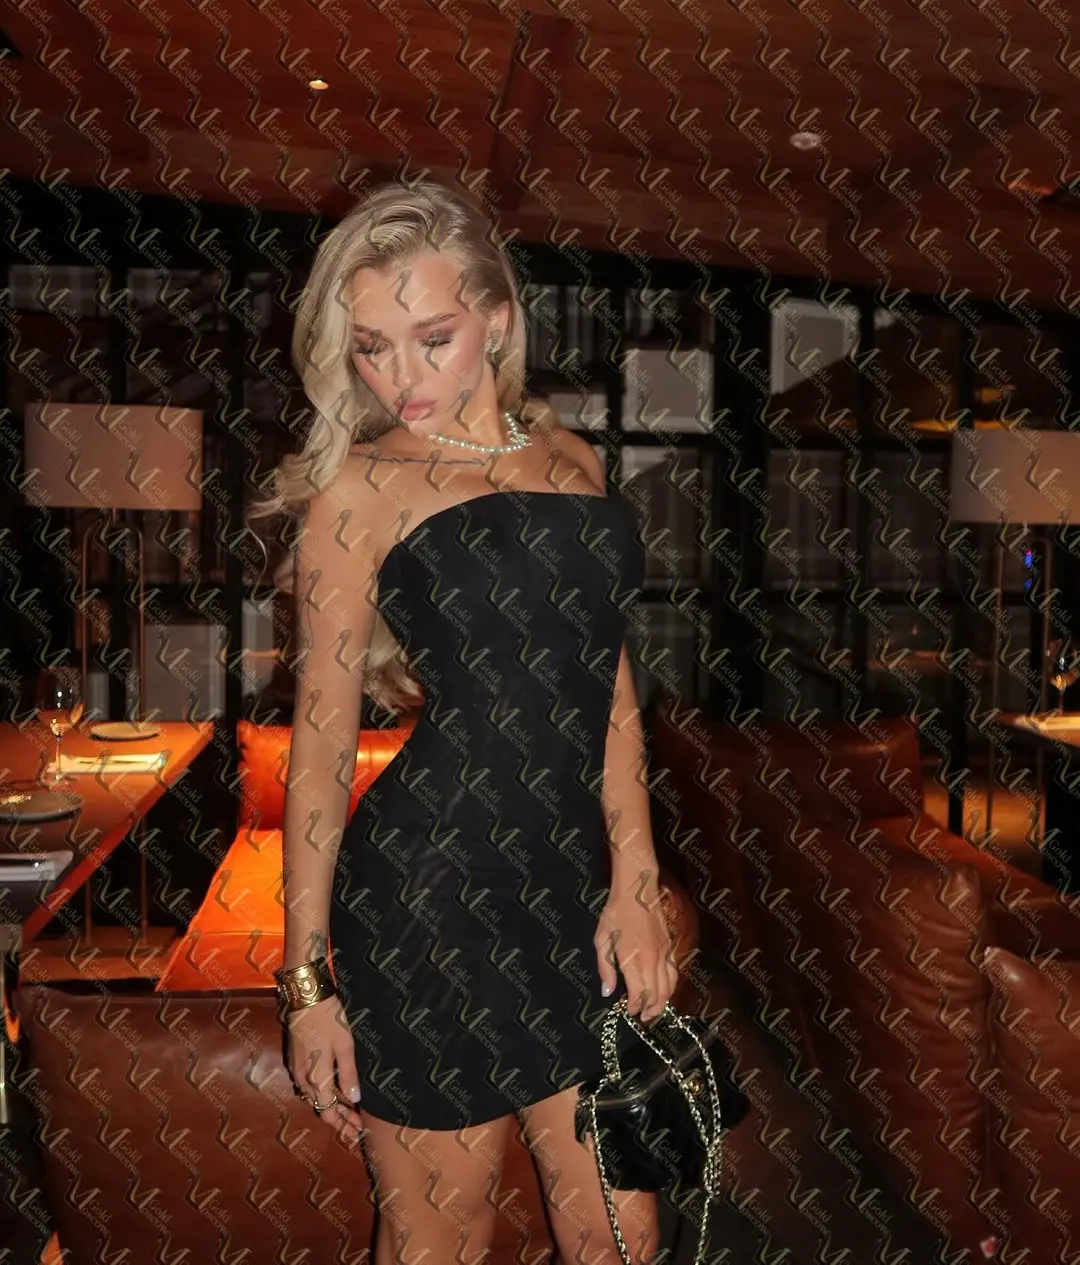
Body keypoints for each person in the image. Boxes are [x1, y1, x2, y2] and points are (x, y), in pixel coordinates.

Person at [252, 179, 680, 1264]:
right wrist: (307, 982)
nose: (401, 377)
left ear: (496, 319)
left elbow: (609, 690)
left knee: (626, 1233)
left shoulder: (575, 462)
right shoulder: (355, 491)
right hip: (429, 905)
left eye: (431, 338)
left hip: (571, 896)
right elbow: (320, 751)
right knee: (442, 1239)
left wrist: (636, 877)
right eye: (371, 348)